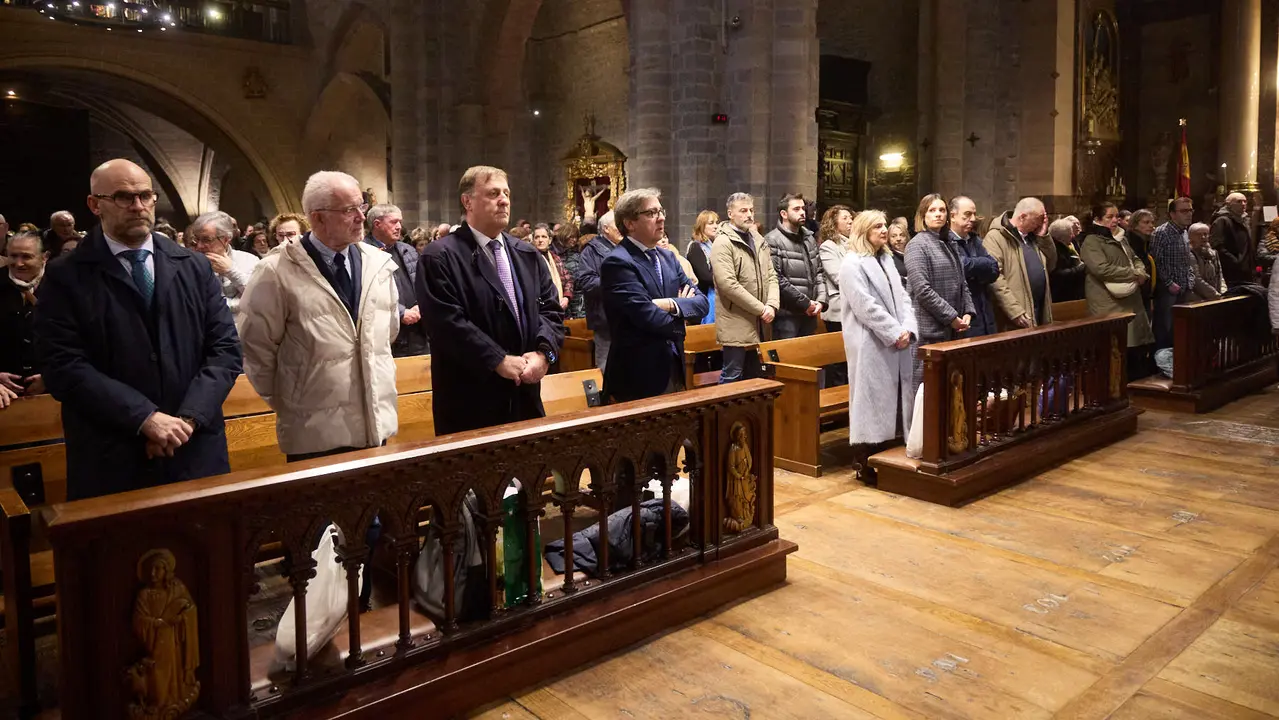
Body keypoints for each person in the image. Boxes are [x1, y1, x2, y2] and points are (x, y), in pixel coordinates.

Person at [34, 159, 241, 500]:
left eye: (146, 196)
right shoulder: (65, 276)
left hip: (194, 447)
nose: (138, 206)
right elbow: (62, 364)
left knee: (211, 549)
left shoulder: (191, 266)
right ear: (94, 204)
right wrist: (144, 418)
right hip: (113, 453)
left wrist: (186, 421)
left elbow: (225, 350)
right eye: (124, 197)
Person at [239, 171, 401, 461]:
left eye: (361, 206)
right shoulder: (276, 271)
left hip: (377, 426)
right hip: (315, 435)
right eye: (349, 210)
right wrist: (295, 402)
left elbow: (388, 332)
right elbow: (256, 350)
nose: (361, 217)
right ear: (318, 218)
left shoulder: (378, 264)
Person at [416, 166, 564, 435]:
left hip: (524, 394)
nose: (504, 200)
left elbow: (551, 311)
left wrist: (544, 354)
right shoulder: (440, 256)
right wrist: (498, 360)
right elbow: (446, 324)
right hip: (471, 398)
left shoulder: (527, 254)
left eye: (506, 193)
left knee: (529, 472)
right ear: (467, 201)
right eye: (493, 193)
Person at [600, 188, 707, 402]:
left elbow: (702, 303)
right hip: (638, 374)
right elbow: (646, 316)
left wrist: (669, 304)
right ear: (630, 223)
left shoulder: (668, 258)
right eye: (651, 213)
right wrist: (682, 315)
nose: (661, 218)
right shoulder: (618, 262)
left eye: (661, 211)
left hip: (673, 366)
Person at [839, 210, 916, 483]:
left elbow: (903, 297)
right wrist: (894, 332)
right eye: (878, 226)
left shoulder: (886, 258)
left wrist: (908, 327)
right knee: (870, 401)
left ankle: (891, 455)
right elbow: (864, 307)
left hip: (894, 339)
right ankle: (864, 460)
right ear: (863, 230)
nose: (884, 230)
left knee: (892, 399)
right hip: (869, 341)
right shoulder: (851, 263)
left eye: (885, 225)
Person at [905, 194, 974, 393]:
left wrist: (968, 311)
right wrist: (951, 317)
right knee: (923, 390)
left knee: (947, 388)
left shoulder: (949, 242)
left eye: (942, 210)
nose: (938, 215)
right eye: (932, 210)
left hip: (952, 329)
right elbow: (923, 290)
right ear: (922, 216)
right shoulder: (917, 245)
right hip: (928, 330)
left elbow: (963, 283)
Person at [1079, 201, 1154, 379]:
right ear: (1097, 219)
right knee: (1115, 348)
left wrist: (1141, 271)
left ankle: (1132, 384)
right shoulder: (1091, 241)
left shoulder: (1121, 237)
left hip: (1130, 298)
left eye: (1116, 216)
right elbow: (1101, 269)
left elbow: (1135, 258)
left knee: (1133, 348)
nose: (1115, 220)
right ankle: (1113, 387)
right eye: (1109, 217)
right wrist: (1133, 274)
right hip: (1108, 301)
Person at [712, 193, 779, 383]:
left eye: (751, 210)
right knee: (732, 374)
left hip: (761, 320)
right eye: (743, 210)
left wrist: (772, 305)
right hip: (736, 321)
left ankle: (750, 414)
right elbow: (728, 285)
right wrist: (761, 308)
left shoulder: (758, 239)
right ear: (730, 213)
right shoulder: (723, 242)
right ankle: (725, 414)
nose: (749, 214)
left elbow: (771, 275)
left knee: (756, 376)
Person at [365, 203, 429, 357]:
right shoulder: (363, 253)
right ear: (377, 224)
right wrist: (400, 313)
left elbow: (424, 283)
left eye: (400, 222)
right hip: (389, 336)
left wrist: (422, 305)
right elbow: (369, 294)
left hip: (419, 330)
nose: (399, 226)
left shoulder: (407, 250)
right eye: (394, 222)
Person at [983, 197, 1055, 329]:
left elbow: (1051, 263)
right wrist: (1014, 311)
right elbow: (995, 279)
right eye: (1038, 219)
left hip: (1038, 308)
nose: (1040, 223)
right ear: (1023, 217)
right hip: (1015, 314)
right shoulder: (996, 237)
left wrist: (1043, 237)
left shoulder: (1034, 237)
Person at [764, 193, 826, 339]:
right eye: (796, 209)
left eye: (803, 208)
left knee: (808, 359)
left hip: (810, 312)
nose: (802, 212)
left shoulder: (809, 238)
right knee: (787, 359)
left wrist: (821, 300)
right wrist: (805, 303)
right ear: (784, 214)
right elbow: (776, 278)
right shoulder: (772, 240)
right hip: (787, 315)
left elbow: (819, 271)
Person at [0, 231, 47, 406]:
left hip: (57, 393)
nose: (18, 263)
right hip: (3, 398)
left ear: (44, 258)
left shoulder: (64, 286)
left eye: (26, 257)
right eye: (13, 256)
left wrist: (54, 375)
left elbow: (84, 340)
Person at [188, 211, 260, 326]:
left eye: (206, 240)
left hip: (244, 330)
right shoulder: (191, 264)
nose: (200, 246)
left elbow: (258, 298)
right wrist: (239, 303)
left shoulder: (250, 260)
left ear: (226, 240)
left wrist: (231, 271)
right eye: (197, 239)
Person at [576, 210, 625, 371]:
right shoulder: (591, 251)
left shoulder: (627, 248)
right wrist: (614, 281)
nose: (621, 228)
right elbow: (586, 282)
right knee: (606, 366)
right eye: (616, 225)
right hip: (605, 319)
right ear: (605, 229)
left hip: (628, 317)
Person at [948, 196, 1000, 337]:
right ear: (952, 216)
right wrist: (982, 265)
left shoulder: (974, 239)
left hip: (985, 314)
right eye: (967, 214)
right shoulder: (946, 241)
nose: (973, 219)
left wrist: (974, 268)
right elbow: (958, 266)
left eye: (974, 214)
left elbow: (994, 269)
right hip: (964, 316)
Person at [1150, 197, 1197, 349]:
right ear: (1172, 214)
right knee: (1165, 328)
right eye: (1184, 211)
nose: (1189, 214)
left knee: (1180, 329)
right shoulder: (1161, 232)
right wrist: (1169, 283)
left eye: (1190, 210)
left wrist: (1190, 279)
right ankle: (1162, 362)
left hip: (1183, 287)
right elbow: (1155, 262)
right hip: (1167, 290)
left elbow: (1186, 260)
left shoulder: (1184, 232)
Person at [817, 205, 853, 334]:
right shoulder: (829, 247)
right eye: (845, 218)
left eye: (851, 217)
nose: (850, 221)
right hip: (839, 311)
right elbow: (839, 278)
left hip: (855, 308)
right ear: (834, 223)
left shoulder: (854, 244)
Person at [1209, 192, 1256, 286]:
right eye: (1239, 201)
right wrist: (1235, 261)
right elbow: (1217, 245)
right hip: (1231, 271)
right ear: (1228, 204)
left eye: (1245, 201)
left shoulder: (1243, 220)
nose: (1243, 204)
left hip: (1246, 269)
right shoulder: (1222, 220)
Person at [685, 210, 719, 324]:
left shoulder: (715, 246)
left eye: (716, 222)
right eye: (711, 223)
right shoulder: (696, 247)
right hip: (704, 297)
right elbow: (705, 276)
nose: (715, 226)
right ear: (701, 226)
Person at [1046, 218, 1087, 303]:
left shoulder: (1066, 246)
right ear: (1062, 237)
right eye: (1070, 233)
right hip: (1062, 296)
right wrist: (1080, 269)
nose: (1072, 236)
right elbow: (1056, 275)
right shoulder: (1054, 251)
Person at [531, 223, 569, 311]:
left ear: (550, 240)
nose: (540, 240)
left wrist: (566, 297)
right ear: (533, 240)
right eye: (537, 237)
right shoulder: (530, 259)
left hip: (560, 306)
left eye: (544, 237)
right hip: (542, 308)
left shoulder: (555, 258)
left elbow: (568, 279)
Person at [551, 223, 583, 319]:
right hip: (560, 295)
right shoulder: (553, 252)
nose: (574, 240)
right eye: (571, 237)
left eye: (576, 237)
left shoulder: (577, 252)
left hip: (577, 296)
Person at [1188, 222, 1226, 301]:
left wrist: (1223, 292)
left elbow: (1220, 275)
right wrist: (1214, 294)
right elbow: (1196, 279)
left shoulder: (1213, 253)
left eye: (1205, 234)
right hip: (1197, 299)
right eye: (1198, 234)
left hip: (1216, 297)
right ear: (1190, 237)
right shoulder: (1190, 254)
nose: (1203, 237)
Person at [888, 216, 910, 286]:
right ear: (888, 239)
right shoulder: (888, 258)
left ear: (906, 237)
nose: (898, 239)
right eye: (894, 236)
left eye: (902, 235)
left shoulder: (913, 254)